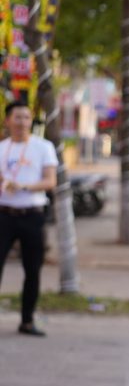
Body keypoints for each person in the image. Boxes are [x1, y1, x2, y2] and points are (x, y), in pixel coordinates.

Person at [0, 101, 57, 337]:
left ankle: (27, 320)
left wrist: (23, 186)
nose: (22, 122)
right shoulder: (2, 148)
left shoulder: (43, 147)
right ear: (7, 120)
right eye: (18, 117)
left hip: (32, 215)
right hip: (4, 214)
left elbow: (50, 181)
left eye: (26, 117)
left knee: (32, 270)